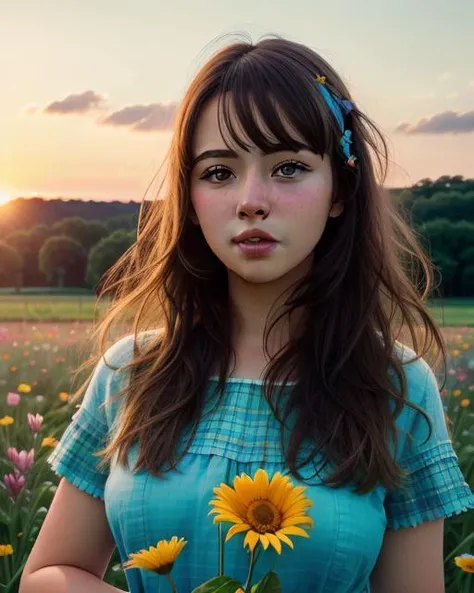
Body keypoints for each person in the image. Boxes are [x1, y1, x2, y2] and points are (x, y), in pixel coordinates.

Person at [19, 35, 474, 593]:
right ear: (189, 198)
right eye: (218, 172)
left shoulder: (397, 387)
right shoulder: (131, 371)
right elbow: (46, 575)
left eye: (288, 166)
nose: (251, 199)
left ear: (340, 188)